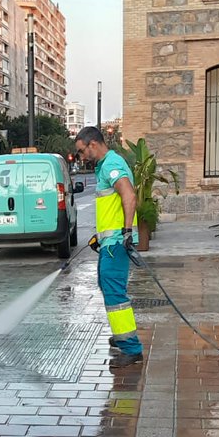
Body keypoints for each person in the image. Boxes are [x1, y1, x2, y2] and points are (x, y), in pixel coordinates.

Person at [73, 125, 143, 368]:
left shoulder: (112, 165)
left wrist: (125, 233)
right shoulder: (105, 166)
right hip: (109, 242)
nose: (81, 157)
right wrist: (100, 236)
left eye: (81, 151)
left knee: (115, 293)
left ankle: (131, 348)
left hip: (116, 244)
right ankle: (122, 333)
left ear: (93, 144)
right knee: (108, 286)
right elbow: (111, 207)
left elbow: (129, 196)